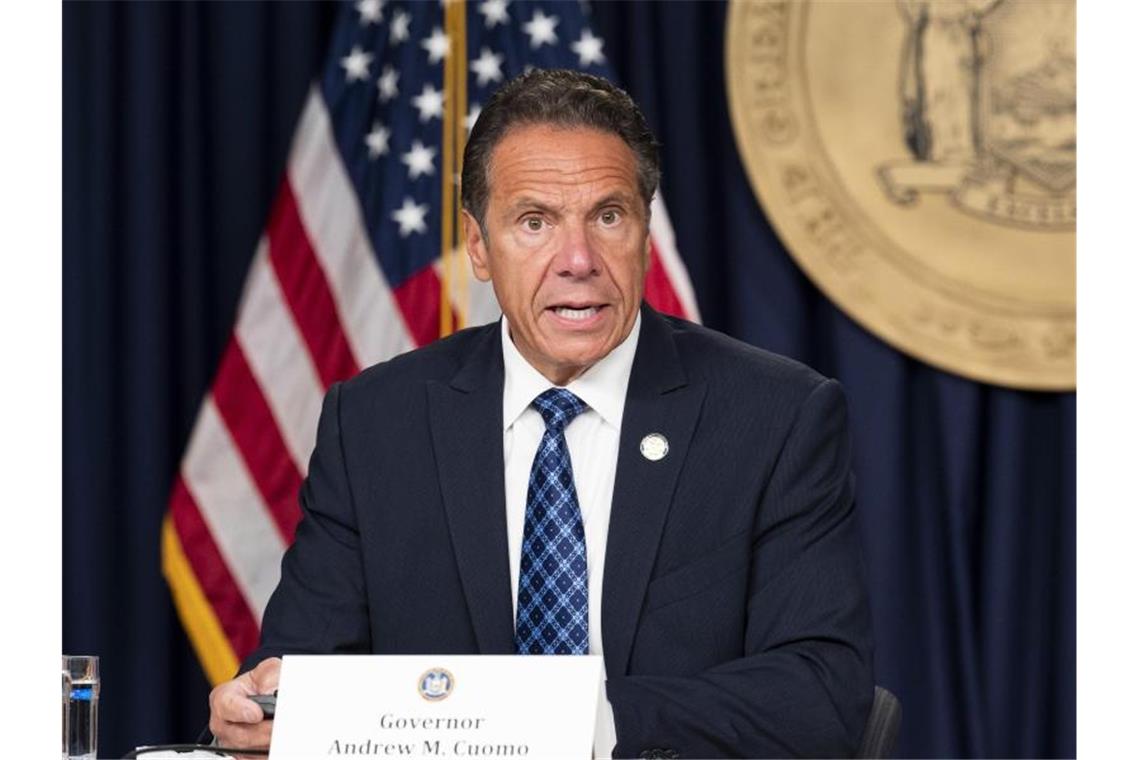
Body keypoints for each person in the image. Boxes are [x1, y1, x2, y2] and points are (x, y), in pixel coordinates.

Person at [208, 69, 873, 758]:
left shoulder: (774, 417)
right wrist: (262, 706)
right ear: (477, 245)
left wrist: (568, 719)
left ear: (646, 234)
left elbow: (821, 691)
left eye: (608, 216)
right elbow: (303, 674)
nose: (577, 260)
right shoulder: (377, 424)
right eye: (535, 222)